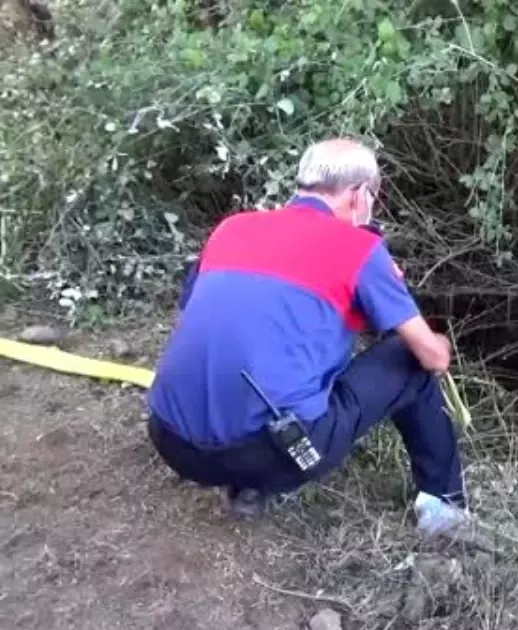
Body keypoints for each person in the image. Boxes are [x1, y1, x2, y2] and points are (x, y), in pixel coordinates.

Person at [146, 138, 470, 535]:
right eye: (374, 198)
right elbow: (432, 358)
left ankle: (248, 487)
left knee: (268, 356)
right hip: (275, 453)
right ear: (358, 195)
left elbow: (208, 312)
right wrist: (439, 342)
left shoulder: (232, 229)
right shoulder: (359, 248)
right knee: (409, 358)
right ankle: (446, 508)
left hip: (171, 441)